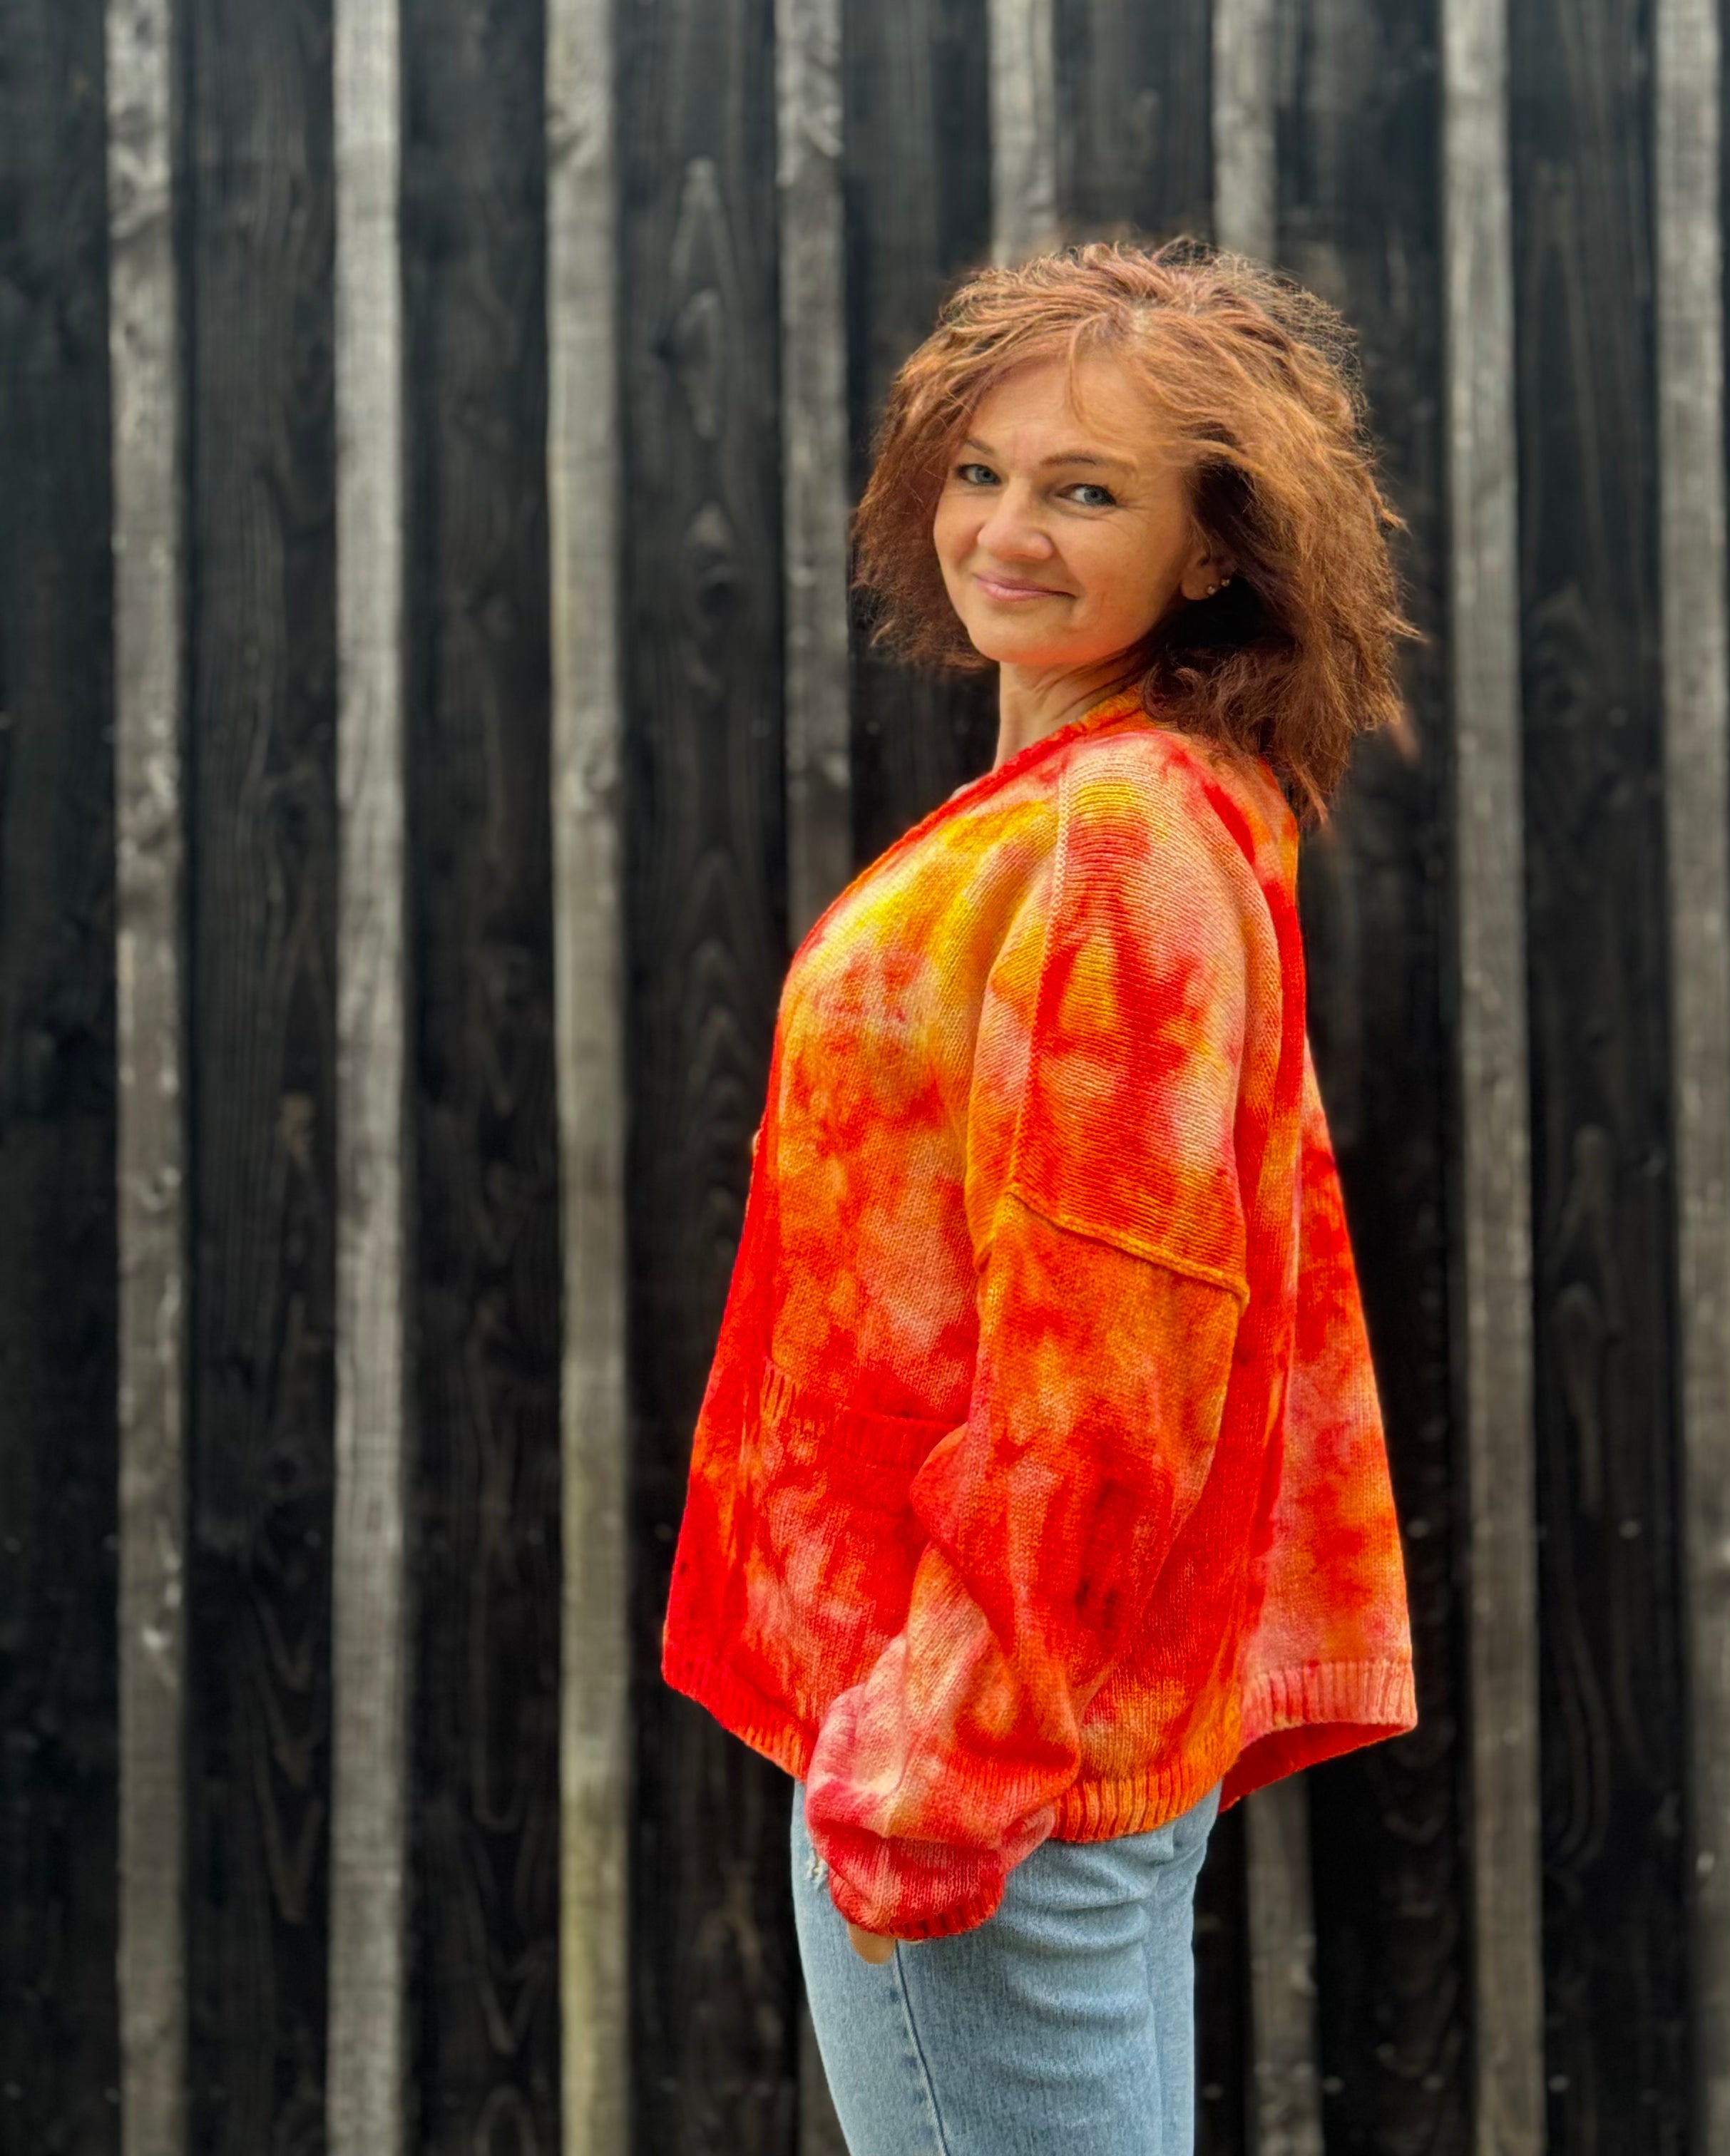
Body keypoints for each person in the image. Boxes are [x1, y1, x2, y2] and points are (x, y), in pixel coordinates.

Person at [660, 237, 1419, 2156]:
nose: (1005, 530)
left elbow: (1111, 1367)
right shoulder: (1113, 797)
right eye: (981, 471)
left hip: (978, 1755)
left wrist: (941, 1763)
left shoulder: (1118, 837)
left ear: (1214, 550)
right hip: (1017, 1727)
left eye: (1086, 492)